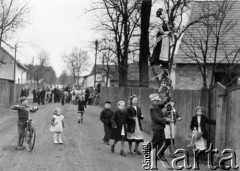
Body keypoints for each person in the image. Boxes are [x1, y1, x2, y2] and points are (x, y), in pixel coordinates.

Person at [149, 93, 171, 160]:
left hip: (160, 127)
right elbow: (156, 119)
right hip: (156, 127)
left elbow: (162, 104)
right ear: (153, 101)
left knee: (161, 141)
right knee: (155, 142)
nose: (158, 101)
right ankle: (148, 151)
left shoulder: (157, 106)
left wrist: (167, 100)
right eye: (157, 100)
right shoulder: (152, 108)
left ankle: (158, 155)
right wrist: (165, 119)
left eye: (158, 100)